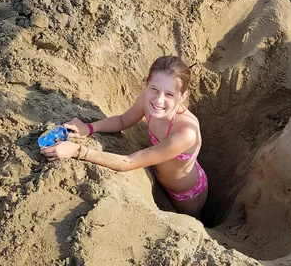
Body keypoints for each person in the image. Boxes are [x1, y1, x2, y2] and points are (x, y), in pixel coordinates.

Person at [40, 56, 208, 218]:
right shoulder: (146, 101)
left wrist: (78, 151)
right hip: (159, 174)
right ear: (147, 84)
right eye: (154, 89)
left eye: (169, 94)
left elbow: (128, 162)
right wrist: (90, 128)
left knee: (191, 220)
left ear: (183, 96)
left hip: (186, 194)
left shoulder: (186, 132)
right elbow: (122, 120)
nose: (159, 99)